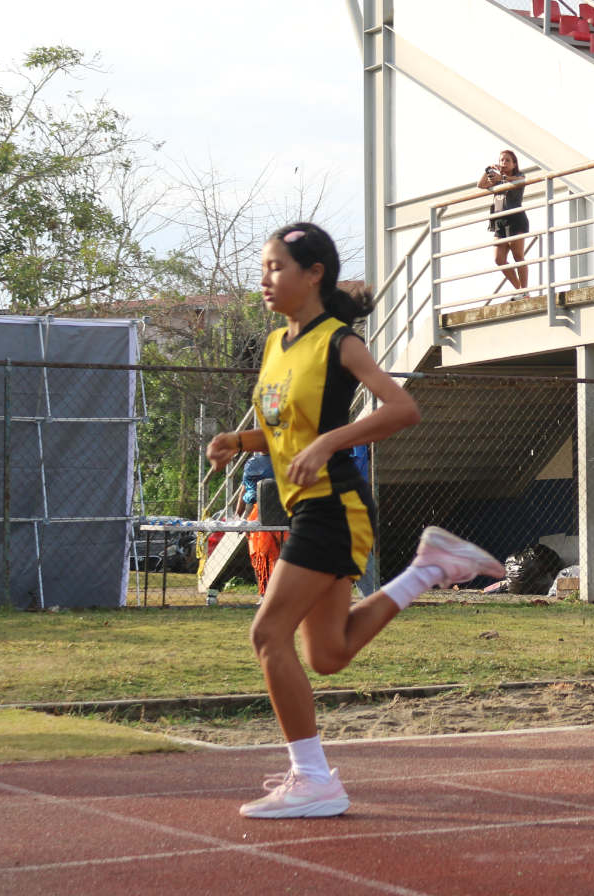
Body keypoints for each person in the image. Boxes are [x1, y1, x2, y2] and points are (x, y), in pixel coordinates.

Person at [206, 222, 504, 818]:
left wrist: (328, 443)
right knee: (328, 653)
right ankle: (429, 569)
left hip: (334, 507)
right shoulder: (276, 345)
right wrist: (239, 441)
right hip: (308, 506)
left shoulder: (340, 343)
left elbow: (402, 409)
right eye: (264, 268)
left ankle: (314, 779)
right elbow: (286, 430)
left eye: (276, 268)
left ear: (314, 274)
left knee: (267, 635)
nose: (265, 279)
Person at [477, 150, 530, 294]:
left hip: (515, 218)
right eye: (502, 160)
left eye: (507, 160)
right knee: (499, 259)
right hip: (500, 220)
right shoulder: (497, 180)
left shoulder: (518, 176)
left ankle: (524, 291)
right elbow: (480, 185)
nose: (504, 163)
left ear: (514, 164)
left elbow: (521, 181)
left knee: (518, 255)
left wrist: (503, 177)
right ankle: (520, 290)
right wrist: (488, 169)